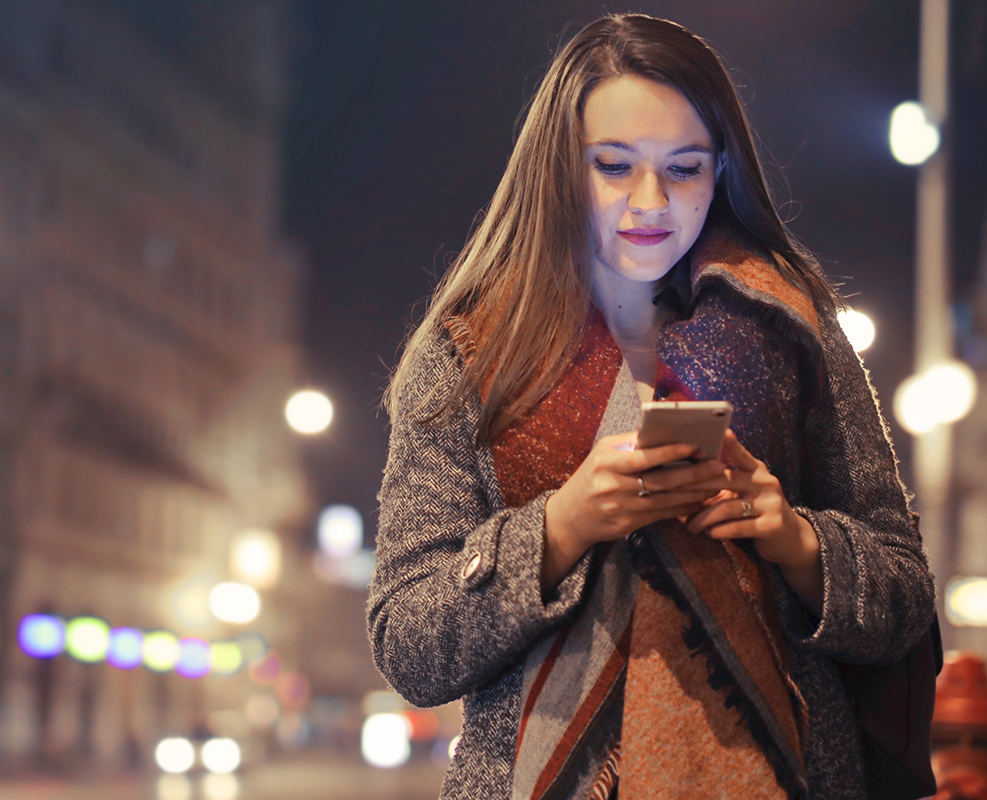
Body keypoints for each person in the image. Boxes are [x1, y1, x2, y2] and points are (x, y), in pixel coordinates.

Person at [368, 13, 937, 800]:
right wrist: (561, 526)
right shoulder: (470, 352)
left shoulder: (787, 323)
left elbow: (904, 598)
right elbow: (406, 643)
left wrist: (791, 536)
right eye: (612, 165)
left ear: (722, 169)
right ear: (559, 170)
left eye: (685, 167)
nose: (651, 200)